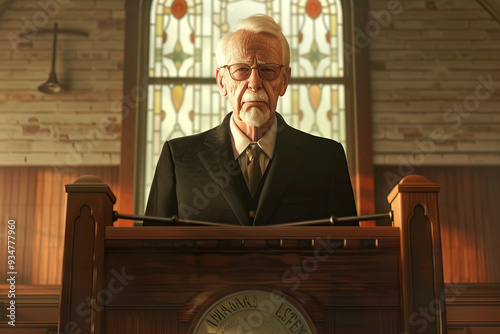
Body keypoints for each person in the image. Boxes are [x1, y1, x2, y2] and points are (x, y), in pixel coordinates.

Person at [145, 14, 357, 226]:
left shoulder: (326, 159)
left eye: (268, 70)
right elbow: (151, 250)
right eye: (241, 70)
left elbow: (350, 252)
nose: (254, 83)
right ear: (221, 82)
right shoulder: (178, 159)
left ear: (284, 82)